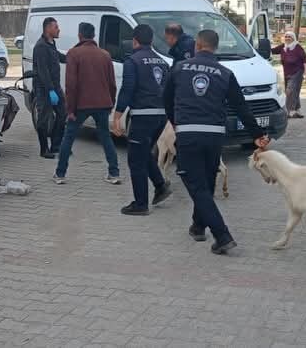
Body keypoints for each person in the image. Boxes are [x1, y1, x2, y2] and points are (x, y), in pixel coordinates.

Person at [164, 29, 270, 255]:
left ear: (197, 45)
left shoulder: (179, 69)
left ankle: (222, 235)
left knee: (196, 185)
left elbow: (166, 99)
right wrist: (257, 134)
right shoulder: (225, 73)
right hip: (214, 136)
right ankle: (198, 226)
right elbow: (241, 107)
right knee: (206, 182)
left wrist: (175, 122)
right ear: (215, 47)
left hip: (189, 133)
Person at [112, 24, 173, 216]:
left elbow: (128, 89)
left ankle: (140, 204)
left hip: (142, 116)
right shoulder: (162, 62)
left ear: (134, 40)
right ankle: (161, 186)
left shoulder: (133, 61)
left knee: (135, 159)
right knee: (144, 152)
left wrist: (117, 116)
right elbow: (169, 92)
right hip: (160, 117)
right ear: (152, 41)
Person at [54, 22, 121, 185]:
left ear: (79, 35)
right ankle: (114, 173)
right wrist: (111, 102)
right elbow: (112, 83)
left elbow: (71, 84)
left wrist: (70, 108)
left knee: (69, 137)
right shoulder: (105, 55)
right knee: (106, 137)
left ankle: (60, 174)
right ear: (94, 35)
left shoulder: (74, 54)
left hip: (81, 104)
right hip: (102, 103)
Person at [32, 17, 67, 159]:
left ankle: (56, 145)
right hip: (44, 89)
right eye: (56, 27)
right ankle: (44, 149)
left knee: (62, 115)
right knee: (43, 119)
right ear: (48, 29)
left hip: (55, 87)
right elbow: (43, 71)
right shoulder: (40, 46)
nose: (58, 29)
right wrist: (51, 90)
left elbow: (60, 57)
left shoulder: (51, 44)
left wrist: (76, 53)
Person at [271, 31, 306, 118]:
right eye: (286, 36)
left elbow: (305, 60)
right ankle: (297, 111)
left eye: (289, 37)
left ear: (293, 38)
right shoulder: (283, 47)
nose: (287, 38)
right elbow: (272, 51)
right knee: (294, 91)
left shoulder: (297, 47)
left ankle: (288, 111)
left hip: (297, 72)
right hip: (287, 72)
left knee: (290, 91)